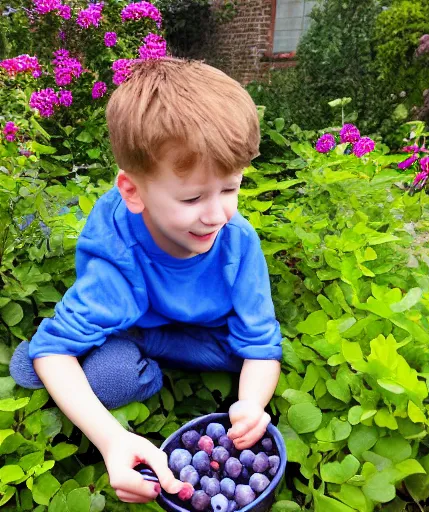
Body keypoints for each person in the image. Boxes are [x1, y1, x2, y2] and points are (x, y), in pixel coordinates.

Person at [9, 57, 282, 504]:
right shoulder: (118, 248)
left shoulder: (237, 242)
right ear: (133, 191)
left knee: (240, 360)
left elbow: (261, 344)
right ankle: (107, 335)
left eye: (230, 189)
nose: (217, 215)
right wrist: (112, 439)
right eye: (193, 197)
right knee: (81, 372)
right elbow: (54, 354)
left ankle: (111, 337)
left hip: (208, 337)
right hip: (139, 322)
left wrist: (251, 404)